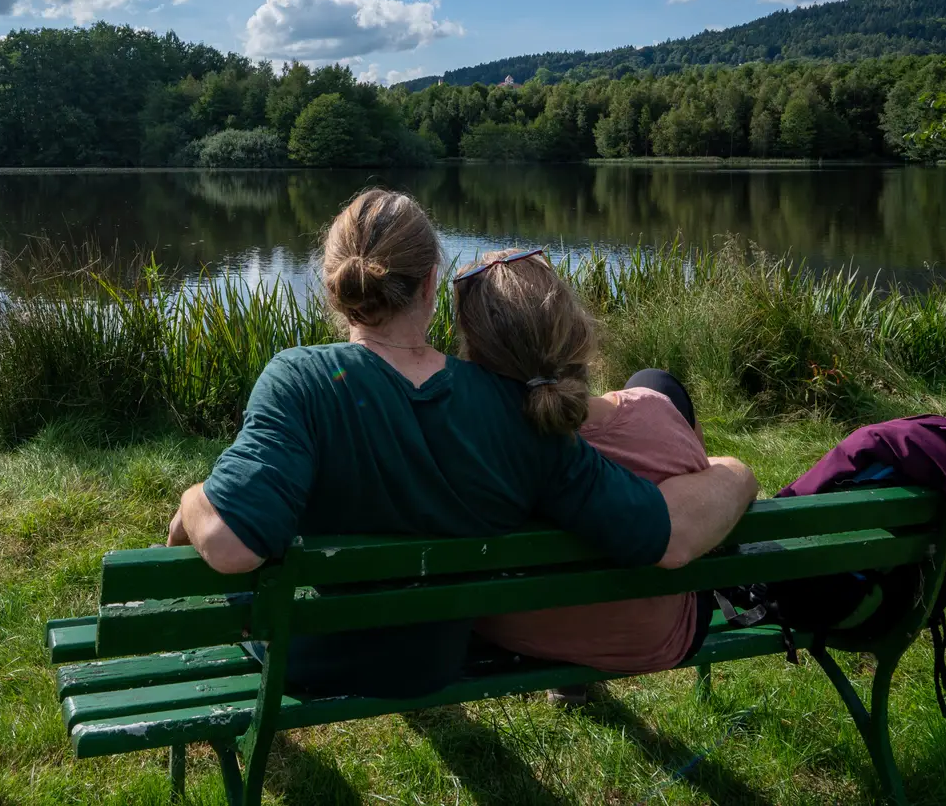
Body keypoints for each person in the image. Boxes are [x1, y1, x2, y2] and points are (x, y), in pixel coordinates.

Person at [165, 189, 756, 698]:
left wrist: (194, 498)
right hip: (434, 663)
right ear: (429, 284)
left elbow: (231, 545)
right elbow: (662, 532)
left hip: (309, 660)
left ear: (333, 286)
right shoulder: (511, 406)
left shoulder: (299, 382)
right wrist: (737, 473)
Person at [450, 245, 715, 692]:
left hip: (508, 634)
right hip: (652, 637)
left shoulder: (456, 445)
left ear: (473, 350)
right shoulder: (654, 415)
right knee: (657, 382)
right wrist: (729, 473)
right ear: (575, 334)